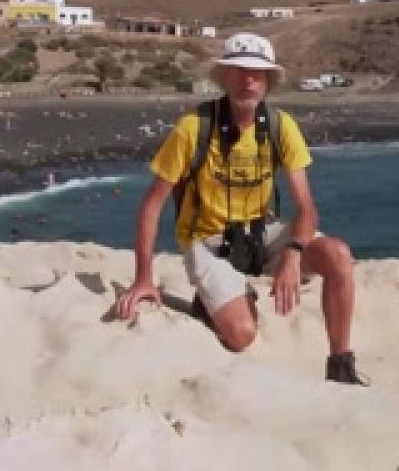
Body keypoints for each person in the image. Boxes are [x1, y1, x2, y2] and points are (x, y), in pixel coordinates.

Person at [113, 33, 365, 385]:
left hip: (261, 234)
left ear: (269, 82)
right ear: (224, 77)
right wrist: (143, 278)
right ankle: (214, 301)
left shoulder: (280, 127)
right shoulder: (193, 128)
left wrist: (293, 255)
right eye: (240, 72)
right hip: (207, 241)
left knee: (337, 255)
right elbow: (151, 204)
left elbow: (306, 208)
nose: (249, 81)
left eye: (258, 74)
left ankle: (340, 366)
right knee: (242, 334)